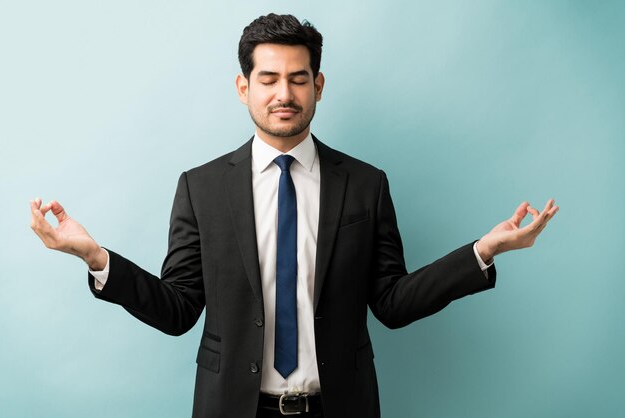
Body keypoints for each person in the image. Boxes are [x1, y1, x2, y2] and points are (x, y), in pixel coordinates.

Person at [30, 13, 558, 418]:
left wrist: (482, 252)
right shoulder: (201, 187)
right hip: (234, 409)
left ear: (318, 85)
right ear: (244, 88)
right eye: (269, 78)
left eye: (298, 79)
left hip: (339, 407)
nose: (284, 94)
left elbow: (393, 303)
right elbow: (178, 310)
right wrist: (97, 257)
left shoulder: (366, 185)